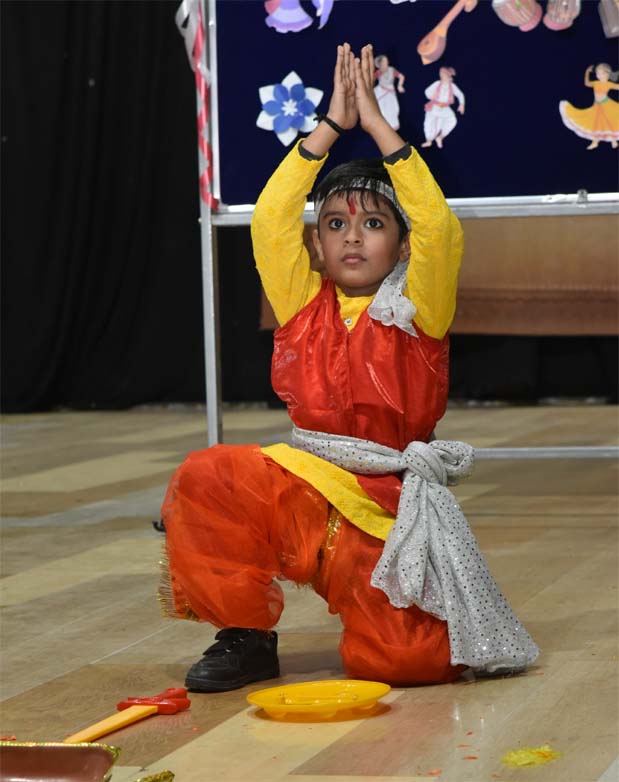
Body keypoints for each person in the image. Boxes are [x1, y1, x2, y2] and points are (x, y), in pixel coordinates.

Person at [159, 43, 538, 692]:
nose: (352, 236)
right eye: (335, 223)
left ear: (401, 244)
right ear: (317, 241)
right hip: (302, 494)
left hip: (379, 513)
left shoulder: (418, 309)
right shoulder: (301, 303)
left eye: (372, 223)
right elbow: (270, 220)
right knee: (209, 475)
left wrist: (377, 125)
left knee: (400, 664)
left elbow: (439, 228)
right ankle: (246, 636)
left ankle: (388, 617)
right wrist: (331, 127)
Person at [559, 63, 619, 150]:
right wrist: (587, 72)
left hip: (606, 105)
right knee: (598, 123)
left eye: (601, 73)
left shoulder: (609, 84)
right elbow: (587, 83)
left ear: (607, 74)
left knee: (608, 122)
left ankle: (612, 141)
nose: (598, 75)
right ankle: (597, 142)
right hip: (597, 106)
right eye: (597, 73)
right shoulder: (595, 83)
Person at [421, 66, 465, 149]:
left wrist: (462, 104)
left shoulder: (452, 86)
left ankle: (440, 137)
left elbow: (460, 94)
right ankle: (428, 140)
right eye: (441, 74)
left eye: (443, 74)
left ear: (448, 75)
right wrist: (432, 96)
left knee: (452, 120)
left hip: (445, 108)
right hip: (434, 106)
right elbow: (427, 91)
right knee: (428, 123)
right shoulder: (437, 83)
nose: (442, 76)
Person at [373, 54, 406, 130]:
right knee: (382, 108)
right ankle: (383, 125)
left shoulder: (391, 70)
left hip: (390, 92)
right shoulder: (378, 72)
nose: (386, 62)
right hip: (380, 91)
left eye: (386, 61)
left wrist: (400, 86)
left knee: (394, 108)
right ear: (380, 63)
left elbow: (401, 76)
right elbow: (371, 79)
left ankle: (392, 126)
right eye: (384, 61)